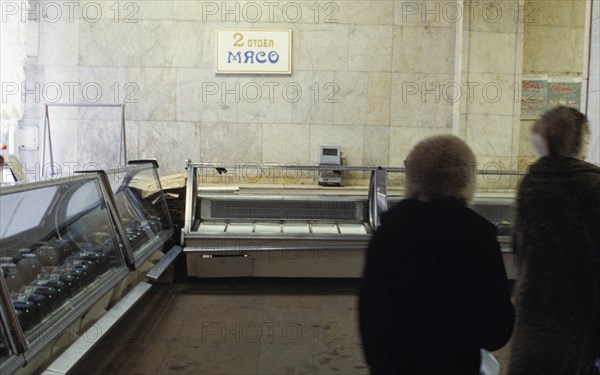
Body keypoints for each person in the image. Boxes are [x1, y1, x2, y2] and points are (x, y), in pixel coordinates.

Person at [359, 134, 515, 375]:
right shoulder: (478, 238)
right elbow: (495, 330)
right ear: (466, 178)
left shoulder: (389, 232)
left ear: (414, 176)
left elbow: (369, 313)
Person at [508, 106, 600, 375]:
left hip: (535, 311)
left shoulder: (530, 183)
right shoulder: (593, 185)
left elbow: (519, 248)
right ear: (582, 139)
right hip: (580, 317)